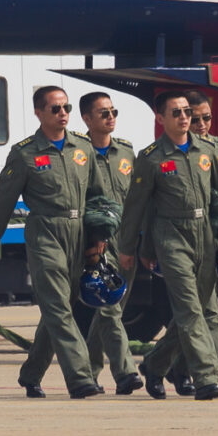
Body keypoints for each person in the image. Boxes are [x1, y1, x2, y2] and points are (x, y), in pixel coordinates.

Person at [0, 86, 107, 399]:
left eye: (66, 108)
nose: (63, 114)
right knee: (59, 308)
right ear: (39, 113)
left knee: (61, 308)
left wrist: (99, 238)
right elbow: (3, 200)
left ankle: (31, 373)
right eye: (55, 109)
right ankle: (80, 378)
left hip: (78, 234)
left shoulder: (82, 148)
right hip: (45, 234)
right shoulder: (25, 154)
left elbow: (98, 198)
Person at [118, 91, 218, 401]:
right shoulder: (152, 158)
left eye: (187, 112)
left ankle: (155, 364)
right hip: (171, 235)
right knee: (189, 309)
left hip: (204, 233)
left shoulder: (207, 151)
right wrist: (130, 247)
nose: (184, 117)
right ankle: (207, 377)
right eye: (176, 112)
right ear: (161, 118)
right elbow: (136, 207)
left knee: (202, 309)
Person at [78, 92, 143, 395]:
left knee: (111, 310)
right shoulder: (77, 154)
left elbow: (140, 198)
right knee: (109, 309)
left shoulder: (127, 153)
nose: (110, 117)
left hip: (125, 240)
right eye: (103, 113)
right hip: (95, 242)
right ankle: (126, 373)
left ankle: (88, 372)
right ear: (87, 119)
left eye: (113, 111)